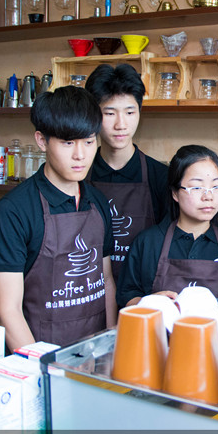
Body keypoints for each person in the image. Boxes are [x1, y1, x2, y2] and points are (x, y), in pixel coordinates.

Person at [0, 86, 117, 350]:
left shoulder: (98, 202)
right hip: (37, 357)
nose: (80, 155)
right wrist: (41, 368)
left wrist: (112, 345)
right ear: (42, 140)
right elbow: (8, 311)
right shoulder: (13, 211)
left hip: (94, 353)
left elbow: (106, 280)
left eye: (89, 141)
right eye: (68, 143)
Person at [118, 145, 218, 307]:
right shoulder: (148, 242)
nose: (208, 196)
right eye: (197, 187)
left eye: (216, 187)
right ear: (175, 193)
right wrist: (149, 302)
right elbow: (126, 296)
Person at [84, 64, 169, 286]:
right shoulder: (78, 176)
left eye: (130, 112)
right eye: (109, 113)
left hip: (144, 293)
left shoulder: (162, 178)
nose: (121, 124)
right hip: (87, 290)